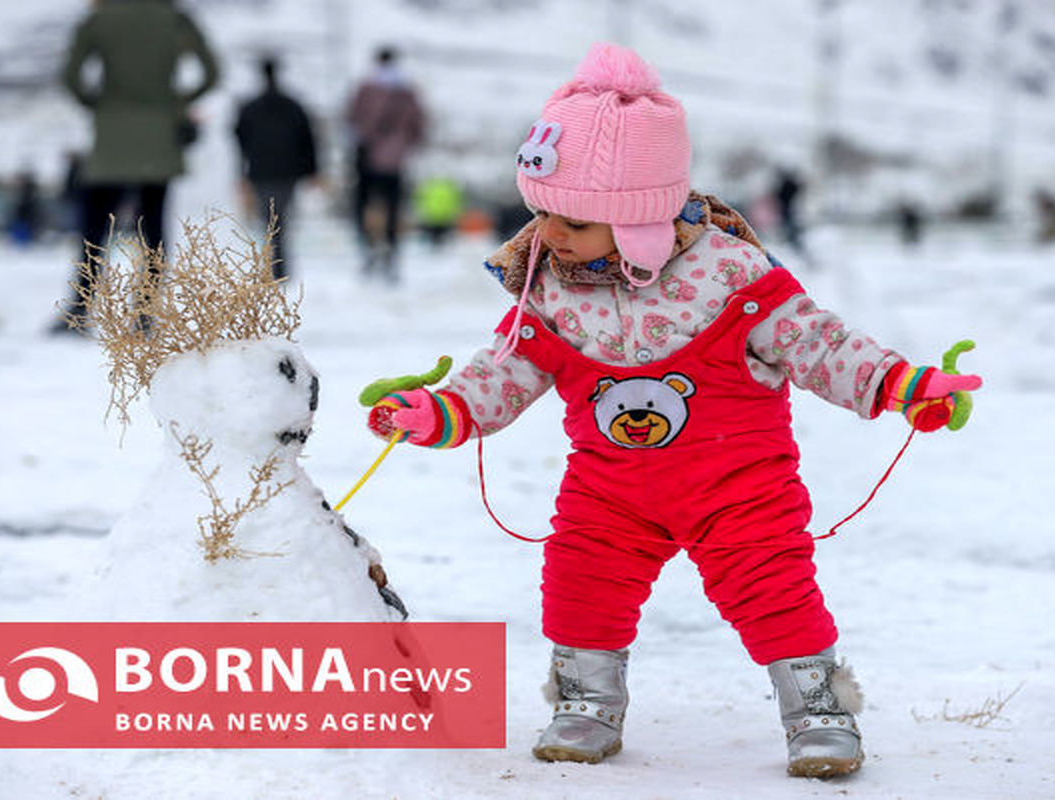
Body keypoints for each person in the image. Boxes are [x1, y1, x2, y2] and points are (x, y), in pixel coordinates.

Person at [363, 44, 982, 777]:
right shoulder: (553, 284)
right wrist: (438, 411)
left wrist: (899, 385)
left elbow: (818, 343)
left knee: (772, 588)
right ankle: (585, 701)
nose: (551, 235)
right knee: (578, 579)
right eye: (543, 213)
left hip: (739, 485)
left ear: (638, 217)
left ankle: (818, 707)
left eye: (574, 221)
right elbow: (506, 369)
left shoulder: (730, 274)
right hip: (609, 489)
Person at [55, 0, 219, 331]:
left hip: (112, 137)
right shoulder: (174, 18)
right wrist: (177, 101)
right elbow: (212, 73)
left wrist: (98, 104)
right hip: (158, 140)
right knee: (153, 231)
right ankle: (145, 312)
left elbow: (70, 77)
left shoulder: (100, 19)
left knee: (94, 229)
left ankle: (80, 309)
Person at [344, 46, 426, 282]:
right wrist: (404, 146)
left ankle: (368, 247)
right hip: (396, 160)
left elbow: (351, 120)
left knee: (363, 205)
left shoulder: (365, 88)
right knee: (393, 208)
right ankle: (391, 253)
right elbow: (419, 126)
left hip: (367, 158)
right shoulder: (407, 93)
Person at [234, 56, 319, 281]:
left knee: (269, 220)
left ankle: (275, 267)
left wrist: (242, 171)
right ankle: (279, 267)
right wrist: (311, 170)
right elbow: (308, 139)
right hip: (287, 171)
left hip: (261, 170)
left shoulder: (250, 107)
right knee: (281, 219)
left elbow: (240, 140)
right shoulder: (292, 105)